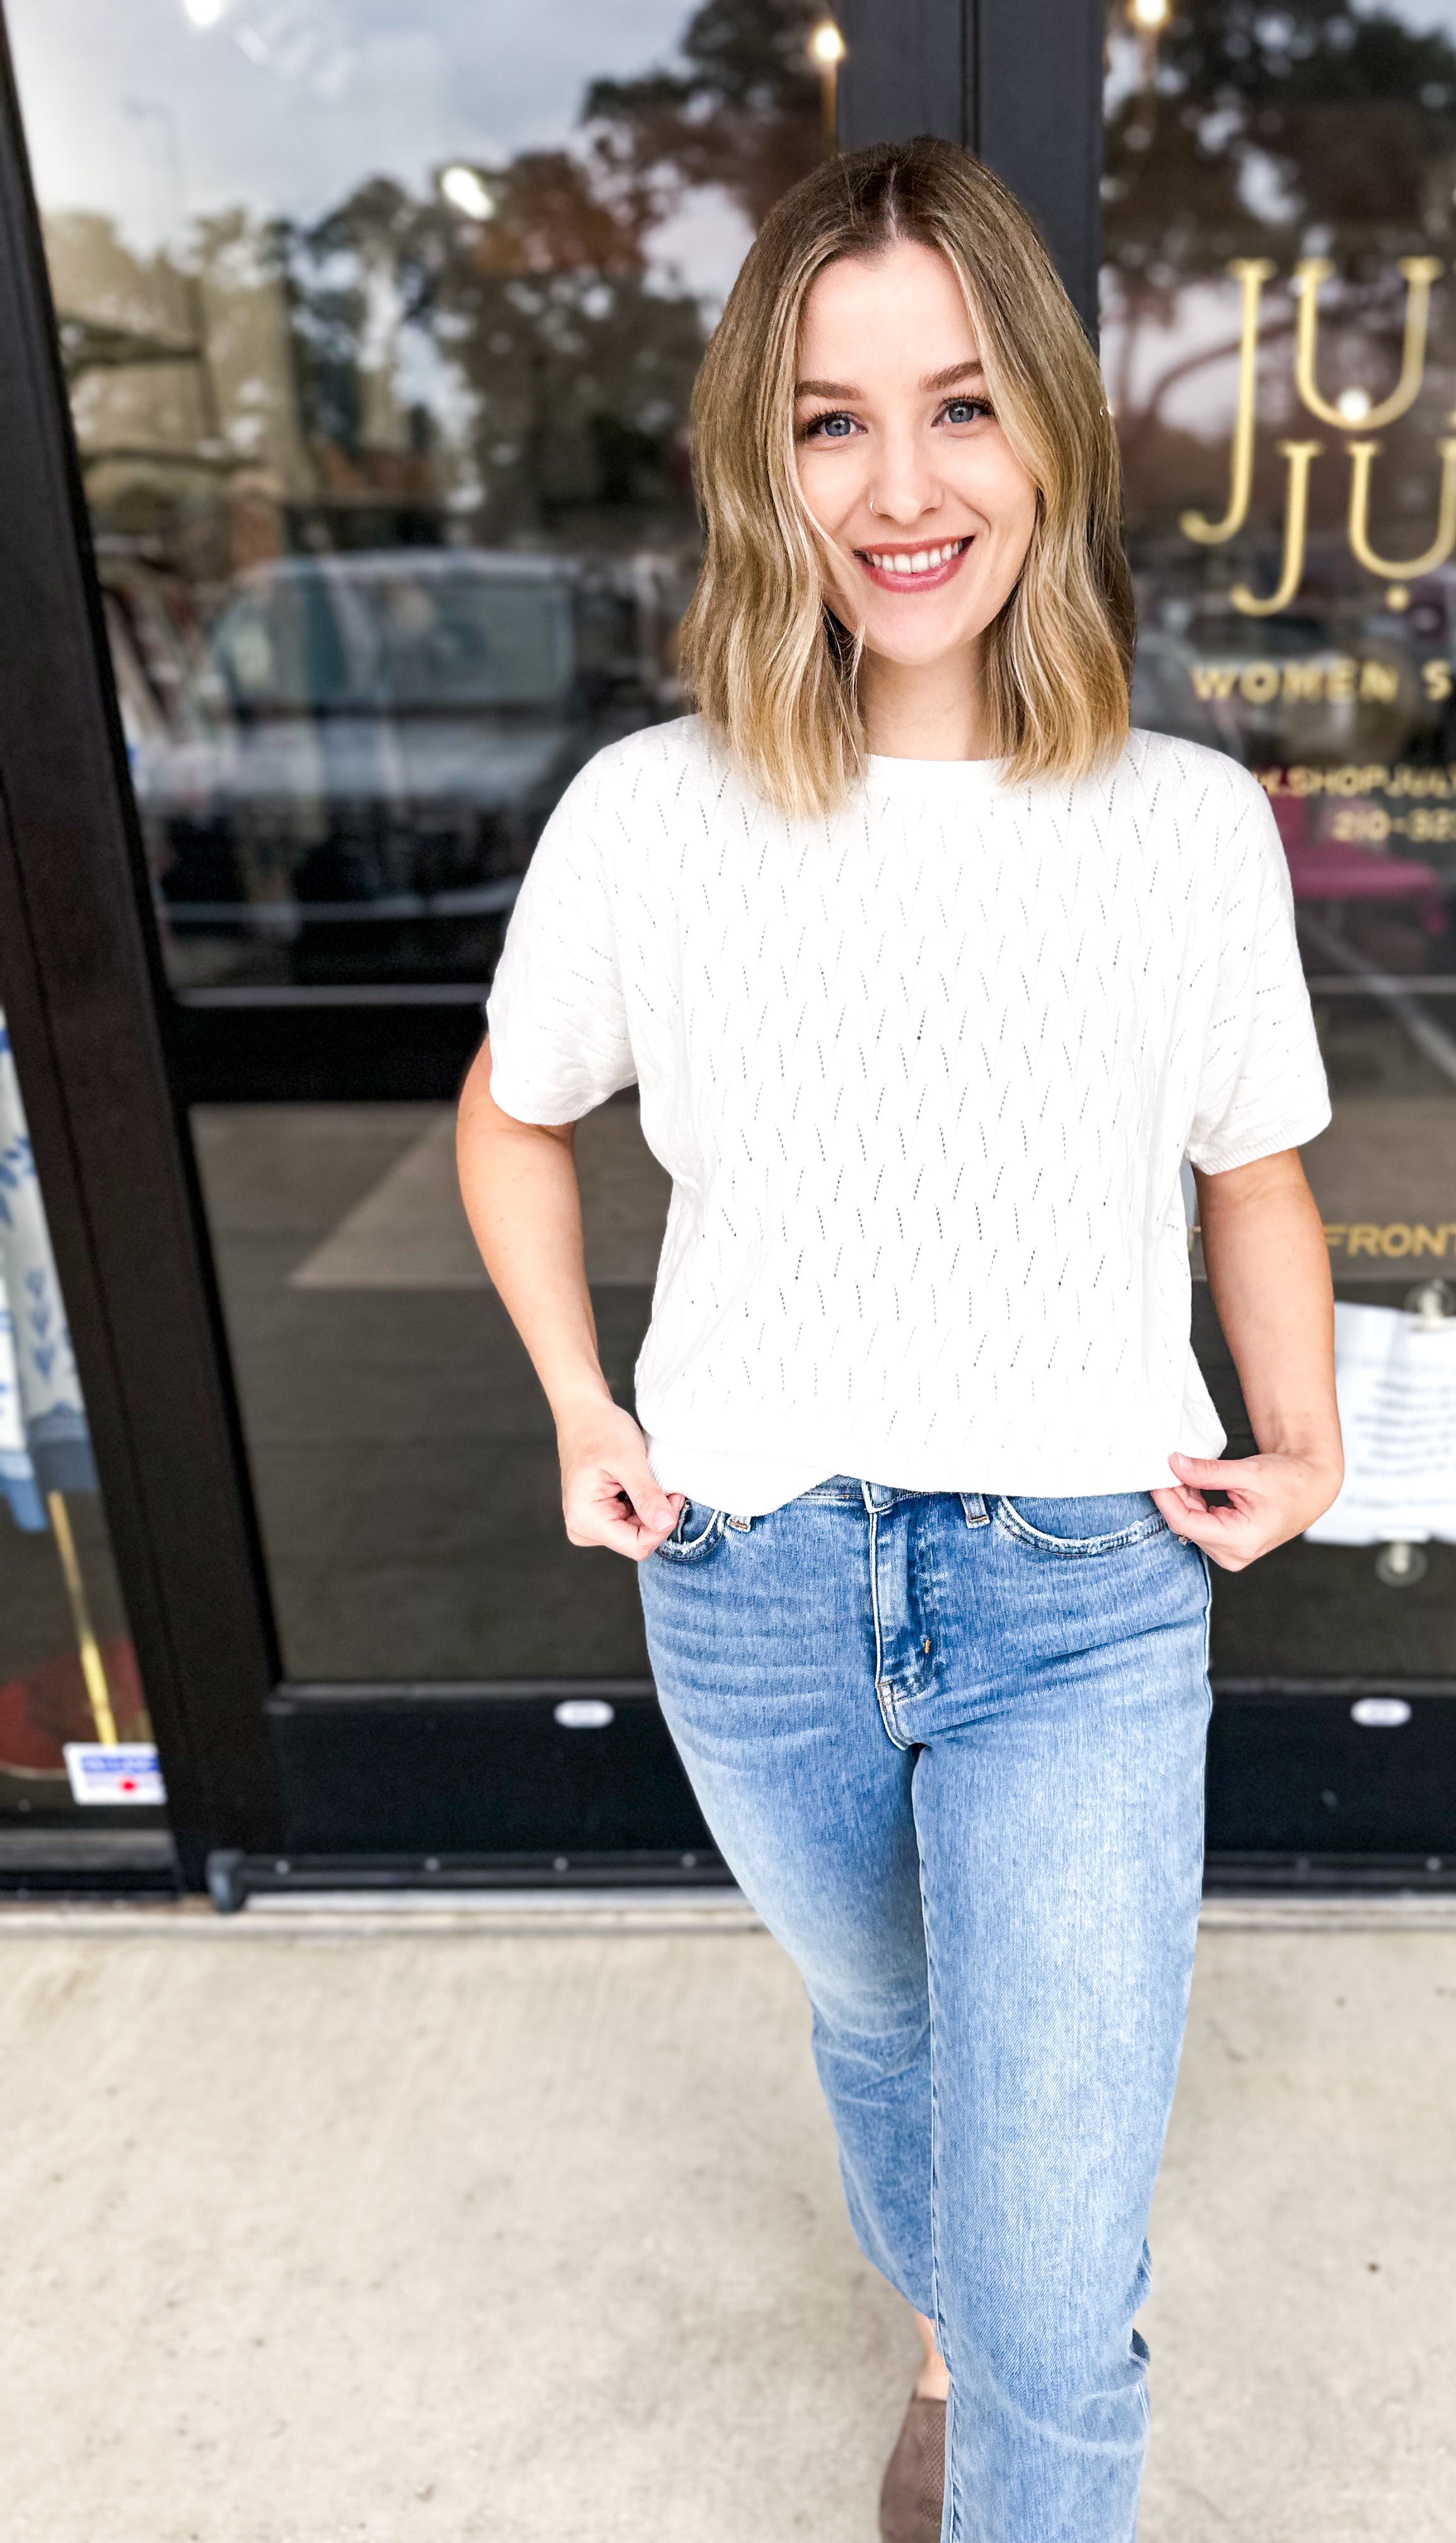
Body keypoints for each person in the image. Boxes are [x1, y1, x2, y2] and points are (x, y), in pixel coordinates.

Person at [457, 136, 1342, 2543]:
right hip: (748, 1585)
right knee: (881, 2021)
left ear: (1048, 428)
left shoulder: (1183, 827)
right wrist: (576, 1401)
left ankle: (1001, 2367)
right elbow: (513, 1115)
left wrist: (1312, 1428)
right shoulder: (654, 816)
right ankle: (933, 2336)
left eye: (961, 406)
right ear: (766, 459)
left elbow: (1250, 1160)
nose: (904, 485)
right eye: (833, 420)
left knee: (1068, 2291)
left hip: (1080, 1590)